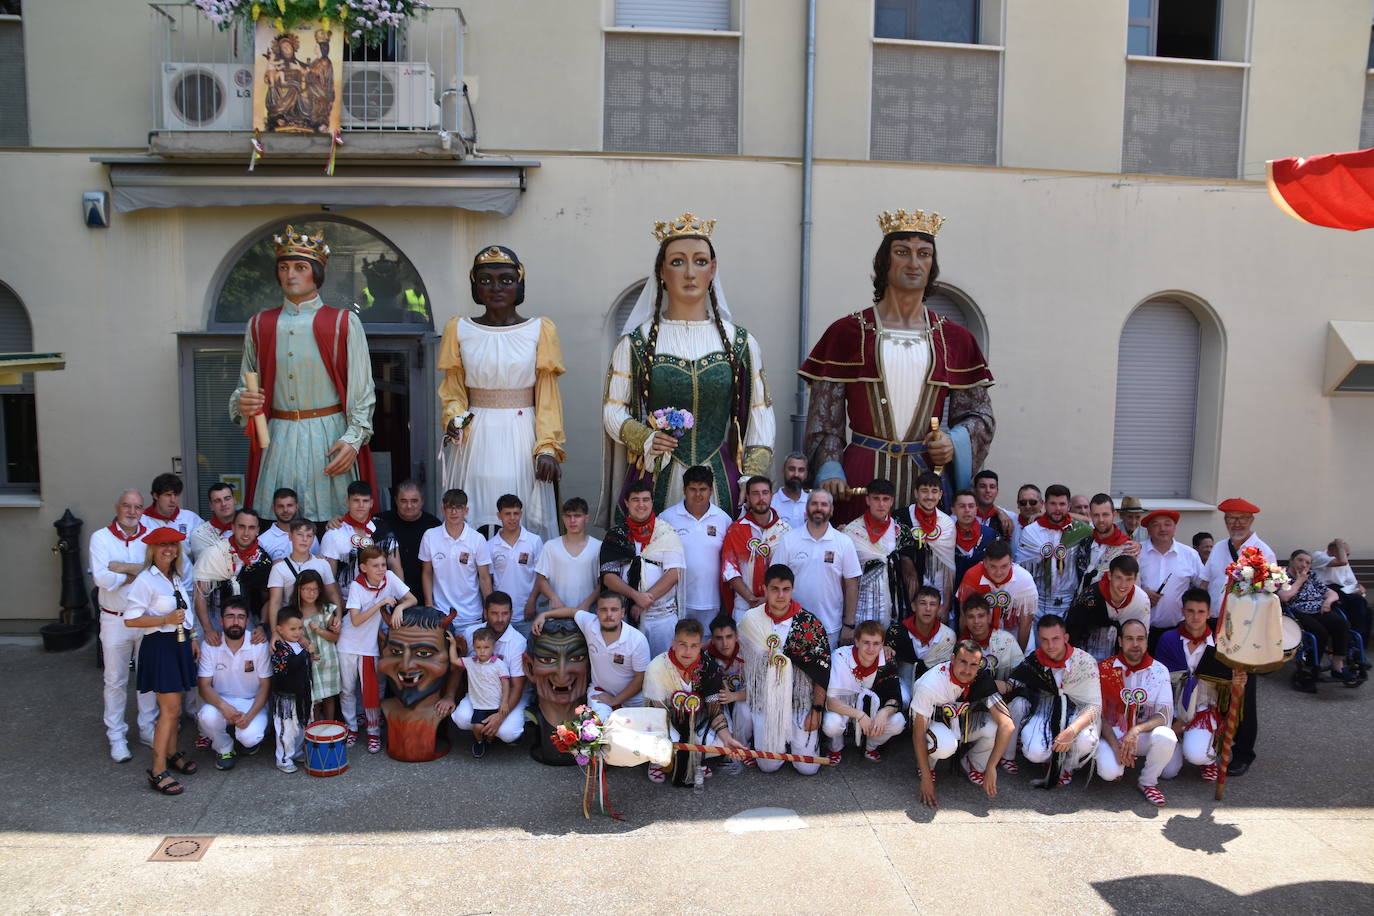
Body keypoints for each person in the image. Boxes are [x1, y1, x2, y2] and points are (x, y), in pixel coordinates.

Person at [800, 209, 995, 522]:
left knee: (924, 563)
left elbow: (980, 415)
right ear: (884, 261)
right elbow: (825, 421)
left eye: (924, 254)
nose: (914, 263)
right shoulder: (847, 333)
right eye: (902, 252)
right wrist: (830, 467)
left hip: (926, 482)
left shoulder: (955, 338)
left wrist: (953, 441)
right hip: (860, 477)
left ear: (933, 265)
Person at [602, 214, 775, 521]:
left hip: (722, 480)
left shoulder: (741, 343)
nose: (690, 273)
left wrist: (752, 476)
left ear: (713, 268)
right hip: (657, 475)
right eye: (678, 262)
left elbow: (759, 414)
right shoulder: (636, 344)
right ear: (662, 271)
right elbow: (614, 410)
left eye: (700, 261)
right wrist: (645, 438)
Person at [231, 224, 377, 522]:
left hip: (330, 436)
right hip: (278, 437)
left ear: (317, 273)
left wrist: (354, 438)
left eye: (300, 267)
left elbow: (363, 390)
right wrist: (243, 403)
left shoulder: (344, 323)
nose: (290, 275)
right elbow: (243, 386)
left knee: (335, 523)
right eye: (284, 267)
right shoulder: (259, 324)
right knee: (277, 523)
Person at [439, 246, 566, 538]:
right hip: (475, 435)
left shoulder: (539, 329)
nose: (496, 287)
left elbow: (547, 397)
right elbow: (454, 388)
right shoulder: (459, 329)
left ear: (519, 284)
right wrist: (454, 418)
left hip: (523, 432)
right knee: (475, 513)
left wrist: (547, 446)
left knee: (519, 514)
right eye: (485, 280)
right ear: (474, 285)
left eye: (506, 280)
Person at [123, 527, 199, 795]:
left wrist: (192, 637)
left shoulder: (174, 577)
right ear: (152, 549)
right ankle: (157, 770)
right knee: (169, 710)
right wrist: (164, 620)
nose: (169, 549)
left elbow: (184, 612)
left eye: (173, 545)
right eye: (162, 545)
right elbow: (131, 619)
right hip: (160, 646)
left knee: (175, 709)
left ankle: (172, 753)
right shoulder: (146, 580)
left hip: (178, 644)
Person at [738, 565, 831, 776]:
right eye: (775, 589)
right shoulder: (750, 620)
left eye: (786, 589)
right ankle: (765, 737)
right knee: (768, 766)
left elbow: (822, 670)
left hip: (800, 700)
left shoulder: (809, 624)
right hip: (766, 700)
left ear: (792, 590)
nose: (781, 595)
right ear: (764, 589)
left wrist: (816, 709)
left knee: (808, 768)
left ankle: (796, 740)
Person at [90, 489, 159, 761]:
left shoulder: (149, 536)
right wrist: (135, 570)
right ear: (117, 507)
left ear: (143, 510)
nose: (132, 512)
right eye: (127, 506)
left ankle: (147, 728)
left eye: (138, 507)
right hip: (114, 618)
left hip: (144, 617)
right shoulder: (100, 538)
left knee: (147, 678)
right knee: (115, 680)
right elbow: (102, 578)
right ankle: (116, 736)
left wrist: (121, 567)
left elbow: (154, 571)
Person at [642, 618, 749, 784]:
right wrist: (675, 742)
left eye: (693, 646)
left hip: (695, 719)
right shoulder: (656, 667)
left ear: (700, 646)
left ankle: (692, 758)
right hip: (665, 721)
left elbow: (714, 710)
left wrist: (728, 739)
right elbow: (657, 713)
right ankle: (658, 761)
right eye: (683, 644)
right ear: (674, 643)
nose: (687, 651)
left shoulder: (709, 667)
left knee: (721, 742)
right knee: (664, 745)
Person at [910, 639, 1015, 806]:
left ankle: (973, 762)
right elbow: (918, 732)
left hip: (959, 722)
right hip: (933, 723)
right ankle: (927, 766)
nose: (967, 670)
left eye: (973, 664)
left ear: (979, 664)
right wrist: (927, 778)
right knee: (945, 745)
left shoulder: (980, 676)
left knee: (996, 726)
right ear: (952, 659)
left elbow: (1007, 724)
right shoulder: (931, 684)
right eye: (963, 662)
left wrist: (991, 766)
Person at [1006, 615, 1101, 788]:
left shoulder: (1085, 662)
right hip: (1045, 710)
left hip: (1077, 712)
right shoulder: (1034, 660)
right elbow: (1011, 684)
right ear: (1039, 639)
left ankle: (1067, 767)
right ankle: (1050, 756)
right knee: (1034, 753)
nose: (1050, 646)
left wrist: (1071, 731)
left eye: (1055, 639)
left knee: (1087, 740)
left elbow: (1094, 706)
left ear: (1065, 638)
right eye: (1045, 640)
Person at [1155, 588, 1237, 784]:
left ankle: (1205, 755)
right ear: (1183, 611)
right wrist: (1173, 720)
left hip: (1203, 708)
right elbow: (1159, 679)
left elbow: (1226, 682)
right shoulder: (1168, 640)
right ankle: (1184, 741)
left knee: (1197, 755)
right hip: (1172, 709)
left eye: (1201, 612)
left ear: (1209, 613)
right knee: (1167, 772)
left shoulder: (1219, 643)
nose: (1195, 617)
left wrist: (1237, 679)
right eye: (1190, 611)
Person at [341, 545, 417, 753]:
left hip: (368, 646)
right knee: (347, 690)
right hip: (348, 642)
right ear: (364, 567)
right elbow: (355, 620)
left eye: (383, 564)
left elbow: (412, 599)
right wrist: (381, 602)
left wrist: (399, 607)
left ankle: (373, 732)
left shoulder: (390, 578)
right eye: (376, 566)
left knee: (371, 691)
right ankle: (352, 728)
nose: (381, 569)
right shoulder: (356, 586)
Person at [1095, 619, 1177, 806]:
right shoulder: (1104, 669)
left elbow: (1163, 715)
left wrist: (1136, 730)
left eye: (1140, 639)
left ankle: (1148, 782)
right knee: (1109, 773)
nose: (1135, 644)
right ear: (1120, 641)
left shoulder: (1159, 671)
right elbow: (1099, 715)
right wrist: (1116, 746)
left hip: (1140, 736)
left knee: (1167, 736)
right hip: (1113, 735)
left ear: (1147, 642)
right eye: (1130, 639)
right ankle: (1117, 763)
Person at [599, 479, 685, 656]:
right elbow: (608, 576)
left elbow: (674, 574)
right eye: (635, 499)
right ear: (626, 503)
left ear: (652, 502)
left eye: (645, 499)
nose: (641, 505)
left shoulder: (667, 533)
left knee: (663, 670)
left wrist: (645, 602)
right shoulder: (616, 535)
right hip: (625, 617)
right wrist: (636, 597)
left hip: (661, 619)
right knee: (629, 672)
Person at [538, 590, 650, 718]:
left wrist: (616, 700)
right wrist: (544, 615)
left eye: (614, 609)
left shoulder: (637, 640)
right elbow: (571, 612)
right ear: (597, 612)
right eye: (604, 609)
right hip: (600, 693)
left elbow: (640, 678)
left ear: (622, 612)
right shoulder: (590, 624)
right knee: (601, 729)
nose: (609, 614)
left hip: (632, 699)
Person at [773, 489, 861, 648]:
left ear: (831, 510)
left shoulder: (844, 542)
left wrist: (849, 624)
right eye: (814, 504)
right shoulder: (788, 540)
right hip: (791, 624)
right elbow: (774, 581)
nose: (819, 508)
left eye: (824, 504)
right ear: (806, 509)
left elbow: (851, 585)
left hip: (831, 627)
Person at [195, 597, 271, 771]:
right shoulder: (210, 644)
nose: (235, 622)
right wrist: (224, 707)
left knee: (249, 737)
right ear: (221, 620)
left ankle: (245, 738)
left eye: (240, 617)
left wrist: (250, 715)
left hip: (251, 702)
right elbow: (204, 686)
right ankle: (224, 747)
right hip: (221, 700)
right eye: (230, 616)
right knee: (206, 716)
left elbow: (265, 686)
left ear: (247, 621)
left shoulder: (258, 645)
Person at [453, 592, 530, 748]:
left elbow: (517, 686)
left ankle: (494, 729)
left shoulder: (518, 641)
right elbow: (458, 668)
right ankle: (484, 734)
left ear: (511, 614)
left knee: (508, 733)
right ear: (485, 613)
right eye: (494, 613)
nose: (500, 619)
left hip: (507, 697)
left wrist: (500, 717)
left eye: (505, 613)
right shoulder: (471, 633)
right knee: (460, 719)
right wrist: (448, 696)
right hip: (479, 694)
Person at [841, 478, 919, 632]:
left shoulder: (901, 531)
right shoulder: (850, 532)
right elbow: (845, 579)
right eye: (876, 499)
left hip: (895, 608)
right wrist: (848, 621)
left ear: (892, 501)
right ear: (867, 500)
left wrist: (913, 611)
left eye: (885, 499)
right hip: (862, 609)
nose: (881, 504)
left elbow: (909, 574)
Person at [823, 620, 906, 764]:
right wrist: (859, 715)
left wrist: (884, 713)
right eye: (866, 642)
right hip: (844, 707)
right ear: (856, 641)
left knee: (898, 721)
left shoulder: (886, 660)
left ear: (882, 644)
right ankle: (835, 747)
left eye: (876, 644)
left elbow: (895, 697)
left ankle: (870, 746)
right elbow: (829, 701)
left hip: (870, 708)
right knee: (831, 723)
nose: (871, 648)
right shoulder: (840, 657)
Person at [660, 465, 732, 628]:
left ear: (711, 490)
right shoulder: (667, 518)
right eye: (693, 489)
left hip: (712, 601)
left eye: (703, 489)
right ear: (684, 489)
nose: (698, 494)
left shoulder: (723, 519)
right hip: (677, 602)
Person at [192, 508, 273, 642]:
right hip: (213, 618)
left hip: (249, 618)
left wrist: (262, 626)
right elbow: (200, 596)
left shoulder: (262, 560)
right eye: (241, 527)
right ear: (233, 527)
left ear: (258, 530)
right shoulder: (213, 554)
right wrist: (208, 629)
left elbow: (268, 599)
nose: (246, 533)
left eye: (251, 528)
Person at [1280, 550, 1360, 685]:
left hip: (1319, 608)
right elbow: (1284, 597)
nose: (1304, 565)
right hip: (1297, 610)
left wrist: (1328, 602)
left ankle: (1337, 665)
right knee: (1319, 632)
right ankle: (1311, 666)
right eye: (1300, 560)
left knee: (1341, 624)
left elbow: (1332, 593)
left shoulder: (1311, 575)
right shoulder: (1282, 576)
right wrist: (1299, 581)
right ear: (1291, 561)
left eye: (1308, 563)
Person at [419, 488, 493, 633]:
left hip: (472, 615)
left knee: (473, 656)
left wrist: (489, 609)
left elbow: (484, 577)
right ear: (442, 509)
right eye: (450, 507)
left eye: (458, 507)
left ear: (466, 510)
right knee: (443, 656)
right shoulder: (430, 536)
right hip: (441, 614)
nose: (454, 512)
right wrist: (429, 605)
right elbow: (427, 573)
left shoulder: (477, 539)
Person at [1017, 484, 1090, 625]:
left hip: (1069, 603)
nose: (1057, 509)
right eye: (1053, 504)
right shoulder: (1030, 531)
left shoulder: (1081, 530)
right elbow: (1020, 570)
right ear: (1044, 504)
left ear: (1069, 506)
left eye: (1062, 504)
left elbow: (1104, 535)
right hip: (1037, 602)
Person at [721, 475, 791, 618]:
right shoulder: (735, 530)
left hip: (777, 606)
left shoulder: (785, 531)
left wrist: (768, 599)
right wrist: (751, 599)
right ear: (747, 496)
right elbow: (730, 571)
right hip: (743, 606)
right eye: (755, 493)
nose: (761, 498)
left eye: (765, 493)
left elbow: (791, 571)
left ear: (771, 495)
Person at [1137, 509, 1206, 652]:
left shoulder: (1190, 555)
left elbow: (1203, 588)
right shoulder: (1137, 552)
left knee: (1175, 672)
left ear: (1174, 528)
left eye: (1167, 524)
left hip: (1179, 631)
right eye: (1156, 525)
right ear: (1148, 530)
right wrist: (1141, 594)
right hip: (1141, 631)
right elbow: (1123, 586)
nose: (1162, 529)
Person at [319, 480, 402, 598]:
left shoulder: (383, 529)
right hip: (347, 601)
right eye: (356, 500)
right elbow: (328, 577)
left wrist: (399, 598)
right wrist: (339, 606)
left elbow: (396, 567)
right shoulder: (333, 534)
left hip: (382, 600)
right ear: (347, 502)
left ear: (371, 503)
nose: (361, 505)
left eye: (365, 501)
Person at [1066, 555, 1152, 662]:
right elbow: (1072, 633)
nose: (1123, 585)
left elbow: (1141, 640)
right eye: (1118, 577)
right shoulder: (1089, 597)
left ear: (1135, 579)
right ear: (1110, 575)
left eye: (1129, 579)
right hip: (1085, 658)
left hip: (1121, 661)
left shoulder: (1141, 602)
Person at [955, 540, 1038, 649]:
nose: (999, 573)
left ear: (1011, 562)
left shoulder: (1024, 580)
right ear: (984, 563)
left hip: (1015, 633)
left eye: (1004, 566)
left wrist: (1019, 655)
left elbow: (1025, 623)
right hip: (981, 635)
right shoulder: (972, 576)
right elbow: (964, 617)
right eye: (993, 567)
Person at [1202, 498, 1275, 614]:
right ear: (1225, 521)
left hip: (1245, 624)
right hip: (1213, 619)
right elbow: (1205, 583)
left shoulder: (1264, 552)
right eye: (1231, 518)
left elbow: (1269, 593)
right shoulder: (1218, 548)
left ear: (1251, 520)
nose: (1237, 523)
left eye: (1242, 518)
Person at [886, 586, 956, 707]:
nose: (927, 609)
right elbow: (888, 667)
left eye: (933, 604)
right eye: (922, 603)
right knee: (902, 699)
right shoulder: (896, 632)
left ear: (939, 608)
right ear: (913, 606)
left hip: (933, 688)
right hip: (902, 684)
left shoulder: (948, 636)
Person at [265, 518, 339, 631]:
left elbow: (332, 593)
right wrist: (275, 632)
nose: (304, 539)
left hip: (318, 625)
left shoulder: (322, 564)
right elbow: (275, 602)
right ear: (290, 536)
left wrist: (338, 616)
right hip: (291, 627)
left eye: (309, 536)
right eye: (300, 534)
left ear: (313, 538)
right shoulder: (279, 568)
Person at [449, 625, 512, 759]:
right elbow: (454, 661)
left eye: (486, 647)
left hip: (495, 705)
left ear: (493, 647)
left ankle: (489, 741)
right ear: (474, 647)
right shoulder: (471, 662)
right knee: (478, 728)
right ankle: (479, 741)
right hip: (480, 705)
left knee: (491, 731)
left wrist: (505, 702)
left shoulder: (499, 664)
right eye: (478, 648)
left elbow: (506, 684)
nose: (482, 651)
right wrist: (453, 644)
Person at [486, 494, 544, 636]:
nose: (512, 518)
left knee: (527, 656)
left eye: (516, 513)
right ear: (499, 515)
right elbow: (488, 580)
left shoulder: (534, 541)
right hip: (501, 618)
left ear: (521, 514)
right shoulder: (490, 545)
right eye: (507, 514)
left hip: (527, 613)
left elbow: (541, 576)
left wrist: (532, 601)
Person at [532, 497, 602, 614]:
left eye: (577, 516)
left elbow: (603, 582)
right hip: (557, 614)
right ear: (563, 518)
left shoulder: (598, 547)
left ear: (586, 518)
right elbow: (541, 579)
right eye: (568, 516)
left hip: (588, 615)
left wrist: (586, 604)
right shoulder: (550, 546)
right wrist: (554, 598)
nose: (572, 520)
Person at [290, 568, 341, 722]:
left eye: (315, 589)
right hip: (307, 661)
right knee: (313, 699)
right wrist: (300, 638)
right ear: (299, 590)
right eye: (306, 589)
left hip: (327, 658)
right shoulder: (294, 612)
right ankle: (315, 730)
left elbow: (334, 637)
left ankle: (330, 726)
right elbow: (287, 633)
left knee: (329, 696)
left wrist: (318, 630)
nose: (311, 593)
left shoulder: (326, 610)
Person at [900, 472, 956, 611]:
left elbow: (949, 567)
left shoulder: (946, 523)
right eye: (924, 491)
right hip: (906, 595)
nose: (930, 497)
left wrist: (946, 606)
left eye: (934, 491)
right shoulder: (901, 517)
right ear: (916, 493)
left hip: (939, 592)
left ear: (940, 494)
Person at [374, 481, 439, 598]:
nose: (409, 506)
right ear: (396, 501)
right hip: (389, 594)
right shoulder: (381, 522)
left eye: (414, 501)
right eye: (403, 501)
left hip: (426, 594)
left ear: (422, 501)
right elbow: (357, 524)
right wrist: (333, 523)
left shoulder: (434, 525)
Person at [269, 606, 313, 773]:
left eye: (300, 628)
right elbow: (289, 666)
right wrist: (306, 654)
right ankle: (284, 759)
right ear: (280, 629)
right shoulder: (279, 647)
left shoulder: (299, 645)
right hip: (286, 697)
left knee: (301, 726)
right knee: (286, 729)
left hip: (301, 694)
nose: (297, 632)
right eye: (292, 629)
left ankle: (297, 752)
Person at [1312, 538, 1371, 654]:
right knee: (1358, 602)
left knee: (1367, 611)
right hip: (1325, 590)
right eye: (1346, 553)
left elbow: (1352, 582)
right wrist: (1339, 543)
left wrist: (1359, 588)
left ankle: (1359, 647)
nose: (1347, 557)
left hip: (1343, 591)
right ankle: (1351, 642)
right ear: (1334, 551)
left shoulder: (1343, 560)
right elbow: (1342, 561)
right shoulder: (1319, 556)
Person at [706, 614, 752, 748]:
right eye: (719, 638)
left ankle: (744, 747)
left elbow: (761, 689)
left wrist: (734, 696)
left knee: (744, 709)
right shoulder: (707, 658)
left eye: (729, 636)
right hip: (721, 702)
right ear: (712, 640)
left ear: (737, 636)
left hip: (745, 698)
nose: (725, 644)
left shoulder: (748, 652)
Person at [1082, 494, 1141, 590]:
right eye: (1096, 515)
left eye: (1105, 514)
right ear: (1090, 515)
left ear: (1114, 515)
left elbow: (1134, 587)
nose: (1101, 520)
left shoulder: (1128, 548)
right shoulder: (1085, 543)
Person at [950, 488, 997, 587]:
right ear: (953, 510)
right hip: (952, 592)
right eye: (962, 506)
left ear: (976, 509)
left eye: (971, 506)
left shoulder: (990, 535)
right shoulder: (946, 535)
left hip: (982, 594)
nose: (967, 510)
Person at [257, 487, 315, 561]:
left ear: (297, 507)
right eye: (280, 506)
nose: (285, 510)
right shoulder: (262, 541)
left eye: (289, 505)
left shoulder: (309, 534)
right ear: (273, 508)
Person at [142, 473, 203, 540]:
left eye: (176, 495)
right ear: (155, 496)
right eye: (168, 495)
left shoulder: (191, 518)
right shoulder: (141, 521)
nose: (173, 500)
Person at [188, 482, 236, 561]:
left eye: (227, 498)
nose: (223, 504)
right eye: (217, 501)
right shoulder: (200, 534)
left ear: (234, 500)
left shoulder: (249, 527)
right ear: (211, 506)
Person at [771, 452, 811, 531]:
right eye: (791, 469)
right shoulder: (772, 503)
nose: (796, 474)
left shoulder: (813, 502)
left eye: (801, 470)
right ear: (783, 471)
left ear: (806, 474)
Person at [972, 469, 1014, 541]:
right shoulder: (960, 516)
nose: (988, 490)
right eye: (982, 486)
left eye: (992, 487)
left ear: (997, 491)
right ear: (974, 490)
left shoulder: (1009, 517)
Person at [1009, 484, 1043, 558]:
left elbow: (1073, 518)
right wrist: (1000, 512)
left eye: (1033, 502)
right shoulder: (1011, 520)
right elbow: (987, 505)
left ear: (1042, 503)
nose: (1028, 506)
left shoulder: (1052, 523)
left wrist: (1048, 515)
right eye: (1023, 503)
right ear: (1018, 504)